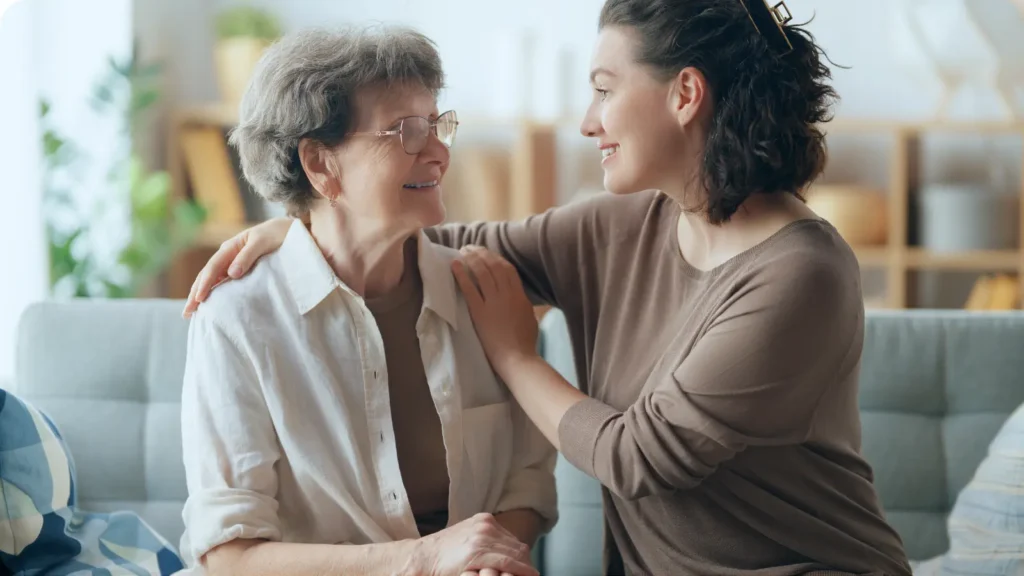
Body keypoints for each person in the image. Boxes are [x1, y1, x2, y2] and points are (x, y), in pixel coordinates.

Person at [183, 1, 913, 574]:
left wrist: (515, 355)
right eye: (408, 131)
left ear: (686, 94)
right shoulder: (620, 228)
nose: (588, 121)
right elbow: (429, 242)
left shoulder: (800, 274)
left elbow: (640, 457)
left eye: (604, 90)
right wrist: (300, 226)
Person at [178, 25, 557, 576]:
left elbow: (527, 484)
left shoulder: (482, 291)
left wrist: (481, 562)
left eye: (438, 125)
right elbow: (230, 556)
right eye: (408, 131)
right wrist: (423, 560)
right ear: (320, 164)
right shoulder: (238, 317)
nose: (440, 153)